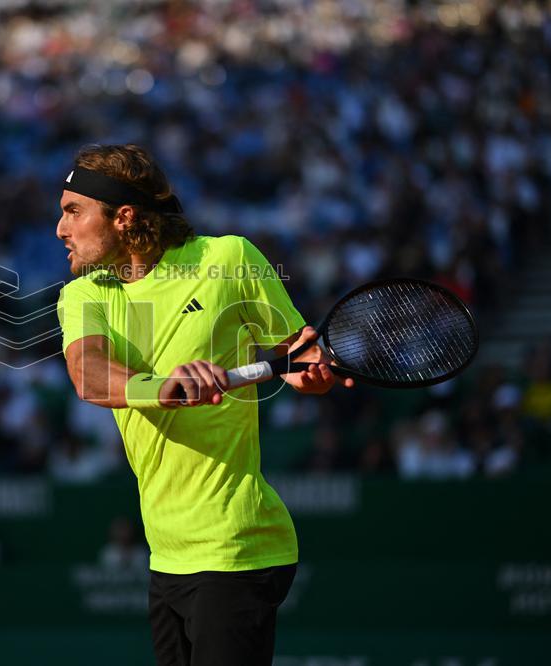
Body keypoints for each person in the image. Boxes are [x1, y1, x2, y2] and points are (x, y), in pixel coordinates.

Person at [55, 144, 352, 666]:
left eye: (74, 211)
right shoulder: (85, 294)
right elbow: (89, 375)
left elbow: (300, 361)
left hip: (236, 546)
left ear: (124, 217)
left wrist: (312, 375)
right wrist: (163, 386)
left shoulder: (228, 259)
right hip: (167, 554)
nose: (61, 229)